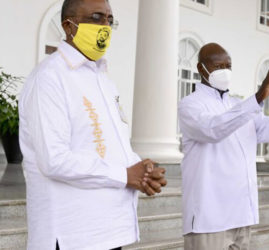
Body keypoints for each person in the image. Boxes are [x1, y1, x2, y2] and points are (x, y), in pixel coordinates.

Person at [19, 0, 167, 249]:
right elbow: (54, 159)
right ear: (69, 25)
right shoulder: (50, 78)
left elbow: (109, 143)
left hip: (108, 231)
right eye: (96, 17)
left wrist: (140, 167)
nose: (105, 26)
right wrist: (125, 175)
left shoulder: (103, 79)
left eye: (110, 19)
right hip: (71, 235)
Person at [178, 43, 269, 250]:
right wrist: (258, 97)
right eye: (217, 66)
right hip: (208, 216)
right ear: (200, 69)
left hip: (241, 213)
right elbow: (213, 130)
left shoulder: (236, 105)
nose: (224, 71)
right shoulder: (191, 104)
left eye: (228, 65)